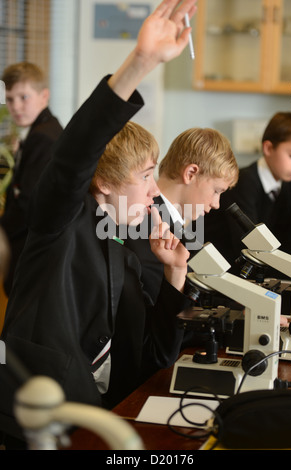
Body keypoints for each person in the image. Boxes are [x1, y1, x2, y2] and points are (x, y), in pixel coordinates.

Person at [0, 0, 198, 446]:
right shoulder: (60, 222)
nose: (153, 192)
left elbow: (153, 359)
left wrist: (175, 274)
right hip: (34, 423)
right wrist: (140, 62)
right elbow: (73, 157)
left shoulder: (125, 252)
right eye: (145, 177)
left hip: (101, 424)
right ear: (105, 182)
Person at [125, 127, 239, 303]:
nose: (216, 204)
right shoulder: (144, 225)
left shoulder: (182, 223)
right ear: (190, 173)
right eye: (216, 191)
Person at [203, 112, 291, 276]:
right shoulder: (244, 183)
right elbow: (249, 248)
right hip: (220, 275)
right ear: (268, 148)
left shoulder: (287, 186)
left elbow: (286, 240)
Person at [0, 62, 63, 296]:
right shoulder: (43, 130)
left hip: (31, 250)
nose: (16, 106)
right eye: (10, 99)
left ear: (44, 96)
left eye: (23, 97)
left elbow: (28, 204)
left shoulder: (43, 139)